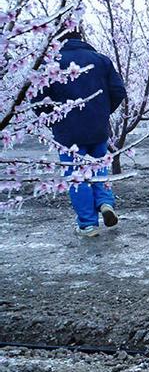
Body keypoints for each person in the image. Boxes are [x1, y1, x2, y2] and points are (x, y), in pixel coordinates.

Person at [35, 29, 127, 237]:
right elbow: (119, 91)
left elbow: (39, 99)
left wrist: (52, 119)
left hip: (68, 133)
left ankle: (87, 225)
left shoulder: (51, 64)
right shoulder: (101, 60)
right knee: (98, 169)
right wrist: (102, 112)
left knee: (77, 177)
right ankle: (105, 203)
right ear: (81, 38)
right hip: (98, 129)